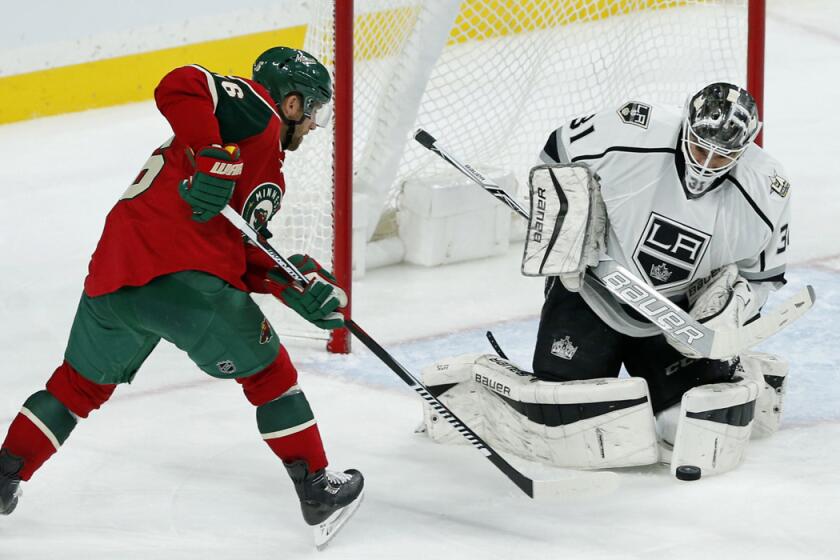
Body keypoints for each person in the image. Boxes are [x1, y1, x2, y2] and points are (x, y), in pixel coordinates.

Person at [0, 46, 363, 545]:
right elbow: (181, 81)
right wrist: (212, 154)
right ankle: (318, 487)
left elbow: (238, 248)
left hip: (116, 275)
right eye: (314, 111)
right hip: (186, 280)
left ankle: (5, 474)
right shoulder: (254, 108)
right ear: (293, 103)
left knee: (77, 387)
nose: (314, 126)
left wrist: (290, 283)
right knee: (272, 377)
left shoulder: (267, 171)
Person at [418, 83, 792, 477]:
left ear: (745, 148)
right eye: (700, 148)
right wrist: (574, 220)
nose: (706, 164)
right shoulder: (634, 128)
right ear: (685, 128)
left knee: (683, 427)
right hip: (592, 294)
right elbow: (556, 152)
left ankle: (742, 371)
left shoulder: (767, 190)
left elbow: (762, 276)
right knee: (567, 419)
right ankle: (476, 387)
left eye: (723, 156)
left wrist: (729, 312)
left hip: (675, 316)